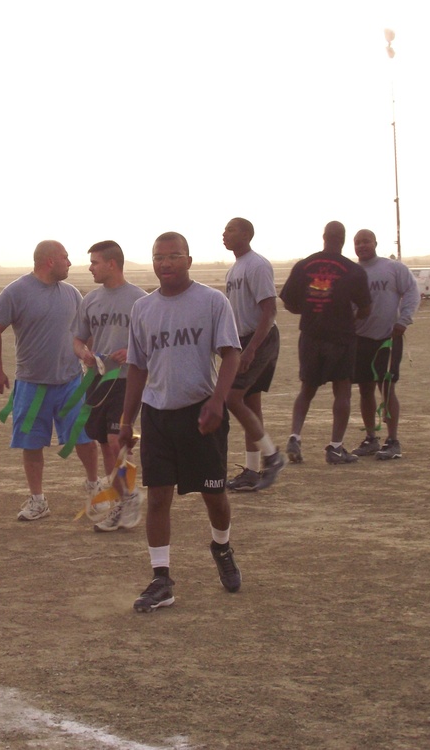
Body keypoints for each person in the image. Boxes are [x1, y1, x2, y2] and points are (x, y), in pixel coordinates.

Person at [118, 232, 242, 612]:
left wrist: (218, 402)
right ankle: (161, 579)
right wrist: (127, 420)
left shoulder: (211, 301)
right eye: (159, 257)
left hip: (201, 413)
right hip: (157, 416)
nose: (165, 264)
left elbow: (231, 354)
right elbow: (137, 367)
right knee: (157, 497)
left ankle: (221, 547)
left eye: (173, 257)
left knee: (214, 496)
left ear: (188, 260)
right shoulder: (143, 308)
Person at [0, 240, 101, 521]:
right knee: (31, 443)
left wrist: (88, 353)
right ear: (50, 261)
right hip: (31, 385)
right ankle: (38, 501)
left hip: (71, 383)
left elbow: (84, 331)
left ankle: (94, 490)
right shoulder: (16, 292)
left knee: (85, 438)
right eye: (65, 257)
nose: (70, 263)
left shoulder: (73, 294)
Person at [279, 221, 371, 464]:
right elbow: (366, 307)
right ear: (343, 240)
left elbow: (288, 301)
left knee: (306, 390)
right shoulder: (353, 270)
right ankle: (335, 447)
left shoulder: (304, 265)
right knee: (342, 391)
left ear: (324, 237)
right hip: (341, 337)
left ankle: (295, 436)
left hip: (310, 335)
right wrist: (349, 316)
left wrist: (311, 310)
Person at [72, 240, 148, 531]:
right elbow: (78, 339)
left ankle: (128, 497)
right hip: (96, 382)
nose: (91, 267)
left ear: (112, 264)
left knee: (117, 442)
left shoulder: (140, 300)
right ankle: (121, 501)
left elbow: (152, 342)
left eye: (95, 262)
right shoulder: (90, 300)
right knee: (105, 444)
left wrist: (131, 352)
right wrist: (83, 353)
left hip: (126, 382)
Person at [221, 218, 287, 491]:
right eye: (224, 230)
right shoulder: (234, 268)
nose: (224, 234)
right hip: (242, 341)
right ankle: (252, 470)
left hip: (258, 339)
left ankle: (272, 456)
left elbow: (269, 310)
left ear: (247, 234)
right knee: (251, 404)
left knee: (231, 398)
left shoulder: (257, 265)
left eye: (231, 230)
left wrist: (250, 350)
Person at [349, 229, 420, 460]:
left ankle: (392, 440)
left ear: (375, 243)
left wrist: (404, 320)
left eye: (366, 241)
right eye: (357, 242)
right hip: (360, 339)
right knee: (365, 389)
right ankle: (371, 438)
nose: (362, 246)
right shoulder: (352, 272)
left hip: (388, 339)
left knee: (387, 388)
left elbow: (411, 291)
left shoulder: (393, 268)